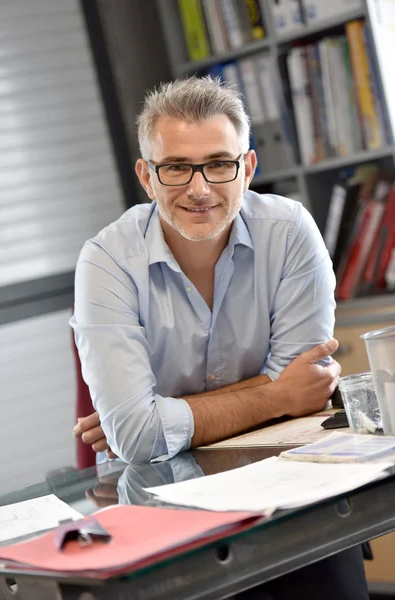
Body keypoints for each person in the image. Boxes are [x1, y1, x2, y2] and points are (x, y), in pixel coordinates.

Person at [71, 76, 368, 599]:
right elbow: (137, 437)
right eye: (176, 168)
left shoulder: (291, 232)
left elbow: (309, 394)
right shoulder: (108, 259)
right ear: (147, 176)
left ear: (247, 168)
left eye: (219, 163)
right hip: (170, 513)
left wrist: (161, 413)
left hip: (296, 491)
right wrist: (274, 394)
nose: (199, 187)